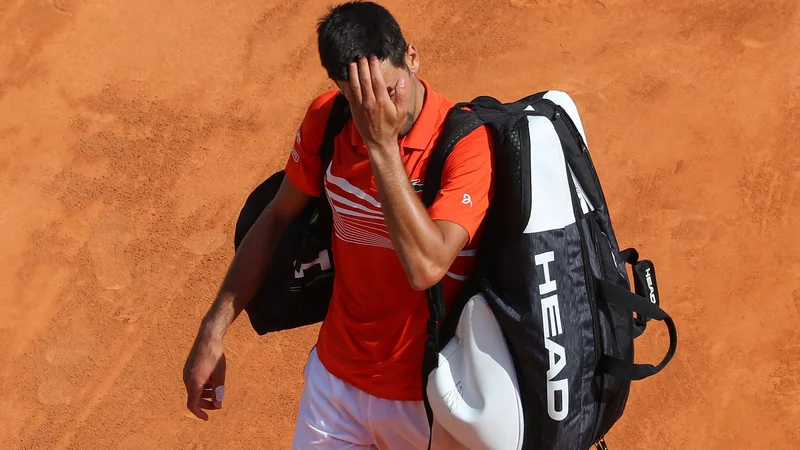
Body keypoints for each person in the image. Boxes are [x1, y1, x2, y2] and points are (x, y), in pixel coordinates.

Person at [182, 1, 494, 448]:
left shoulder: (465, 145)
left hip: (431, 400)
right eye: (357, 98)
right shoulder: (327, 118)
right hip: (335, 386)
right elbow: (275, 218)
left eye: (390, 90)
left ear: (413, 56)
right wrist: (211, 332)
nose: (377, 110)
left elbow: (427, 267)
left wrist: (381, 145)